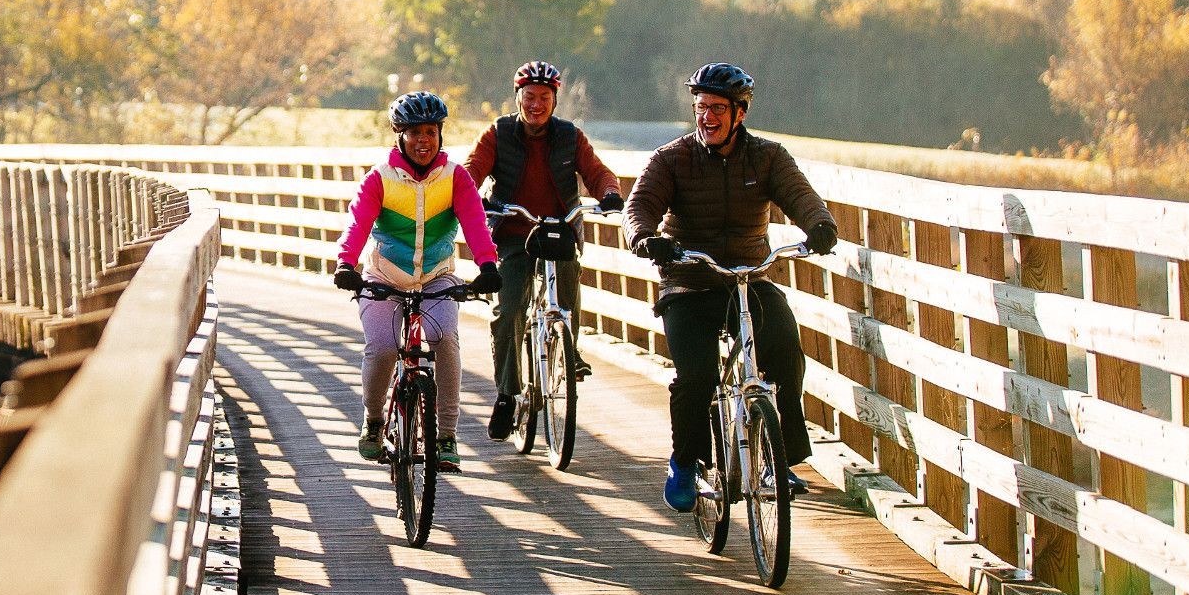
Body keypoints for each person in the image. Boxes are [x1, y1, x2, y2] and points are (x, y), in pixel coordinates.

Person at [622, 63, 839, 512]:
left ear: (740, 113)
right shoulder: (672, 158)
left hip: (748, 277)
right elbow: (639, 204)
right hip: (690, 282)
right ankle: (686, 461)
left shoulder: (767, 157)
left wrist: (820, 225)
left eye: (718, 108)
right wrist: (645, 238)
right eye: (701, 107)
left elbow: (801, 195)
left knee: (784, 347)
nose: (707, 117)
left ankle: (780, 458)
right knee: (697, 378)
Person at [333, 90, 502, 472]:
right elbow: (357, 225)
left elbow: (476, 224)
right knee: (382, 347)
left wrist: (488, 264)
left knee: (445, 339)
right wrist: (346, 264)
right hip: (385, 277)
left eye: (431, 131)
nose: (423, 141)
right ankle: (374, 420)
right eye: (414, 133)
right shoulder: (380, 179)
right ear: (399, 136)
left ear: (440, 135)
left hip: (437, 276)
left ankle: (446, 435)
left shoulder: (455, 178)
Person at [465, 60, 624, 441]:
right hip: (515, 233)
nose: (536, 105)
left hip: (559, 229)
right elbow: (471, 172)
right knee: (509, 308)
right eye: (529, 97)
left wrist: (610, 194)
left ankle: (570, 349)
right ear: (518, 97)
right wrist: (471, 198)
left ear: (555, 100)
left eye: (544, 98)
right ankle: (506, 393)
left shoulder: (571, 137)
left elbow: (598, 172)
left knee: (568, 279)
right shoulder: (498, 134)